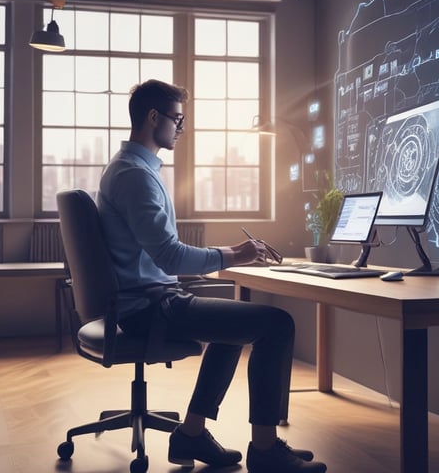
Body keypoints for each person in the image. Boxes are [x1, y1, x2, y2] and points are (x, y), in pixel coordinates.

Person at [97, 79, 327, 473]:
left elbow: (160, 254)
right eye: (177, 119)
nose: (181, 128)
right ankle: (266, 451)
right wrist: (235, 254)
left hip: (146, 300)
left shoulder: (130, 169)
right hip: (150, 306)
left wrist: (228, 256)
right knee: (277, 324)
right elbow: (169, 256)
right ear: (154, 118)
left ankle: (190, 434)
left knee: (234, 323)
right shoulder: (135, 176)